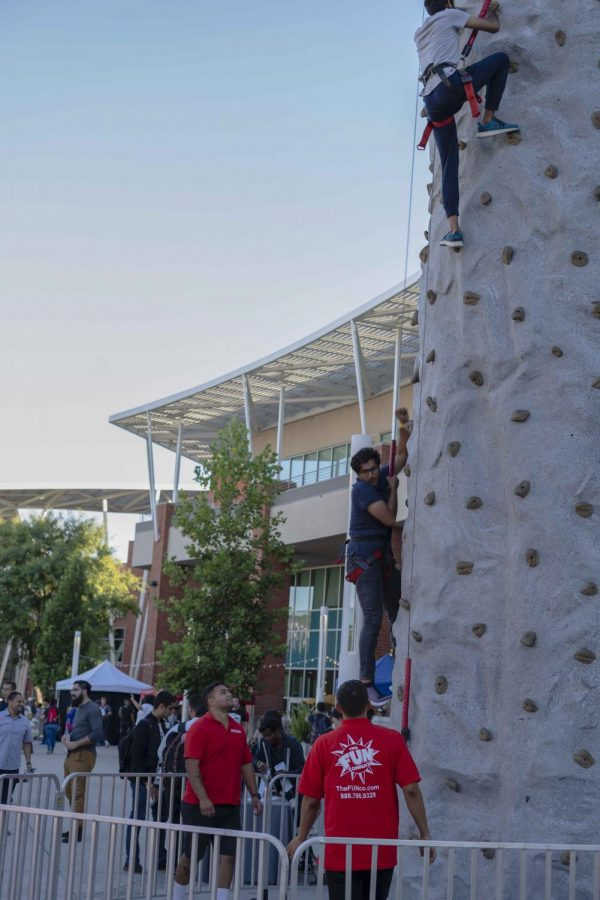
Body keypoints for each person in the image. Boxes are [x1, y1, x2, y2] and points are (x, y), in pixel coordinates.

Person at [287, 680, 435, 900]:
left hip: (340, 850)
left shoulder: (323, 744)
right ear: (369, 705)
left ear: (337, 707)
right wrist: (424, 833)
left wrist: (301, 836)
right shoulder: (392, 739)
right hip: (380, 850)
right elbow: (411, 789)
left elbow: (311, 801)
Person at [415, 0, 519, 249]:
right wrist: (492, 10)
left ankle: (453, 230)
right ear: (449, 3)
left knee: (449, 162)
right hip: (448, 86)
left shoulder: (419, 34)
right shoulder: (451, 15)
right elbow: (492, 27)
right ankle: (488, 119)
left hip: (431, 101)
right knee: (501, 60)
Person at [173, 683, 262, 900]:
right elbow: (191, 766)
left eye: (229, 692)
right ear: (211, 701)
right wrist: (203, 798)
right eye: (223, 692)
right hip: (198, 805)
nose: (229, 695)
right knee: (191, 855)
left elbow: (246, 764)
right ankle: (178, 895)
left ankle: (221, 897)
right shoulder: (199, 727)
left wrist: (255, 794)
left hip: (230, 804)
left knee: (228, 856)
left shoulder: (237, 729)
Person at [346, 409, 410, 707]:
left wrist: (403, 430)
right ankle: (367, 681)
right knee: (372, 618)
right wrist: (394, 490)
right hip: (365, 558)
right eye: (366, 472)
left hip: (381, 557)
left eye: (374, 469)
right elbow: (389, 517)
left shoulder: (379, 477)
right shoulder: (362, 491)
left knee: (397, 612)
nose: (372, 474)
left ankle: (400, 664)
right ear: (358, 475)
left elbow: (400, 461)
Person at [124, 690, 177, 874]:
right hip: (142, 780)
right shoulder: (144, 725)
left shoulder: (163, 725)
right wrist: (148, 783)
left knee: (161, 817)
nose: (172, 712)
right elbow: (136, 757)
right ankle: (131, 859)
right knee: (137, 818)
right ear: (161, 706)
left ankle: (161, 857)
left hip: (158, 779)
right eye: (170, 709)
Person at [155, 692, 206, 842]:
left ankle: (176, 857)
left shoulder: (178, 728)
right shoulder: (211, 728)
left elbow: (161, 753)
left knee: (175, 820)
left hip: (173, 782)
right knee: (196, 824)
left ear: (191, 709)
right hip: (200, 785)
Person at [61, 679, 104, 843]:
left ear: (84, 691)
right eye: (72, 690)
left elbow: (97, 733)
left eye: (75, 690)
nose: (72, 693)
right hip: (71, 754)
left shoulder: (92, 708)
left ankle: (76, 830)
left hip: (84, 754)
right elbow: (73, 729)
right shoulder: (77, 708)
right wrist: (65, 738)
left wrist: (77, 743)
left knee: (78, 793)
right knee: (69, 792)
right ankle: (76, 824)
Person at [253, 710, 304, 797]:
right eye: (264, 736)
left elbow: (302, 770)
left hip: (292, 795)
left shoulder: (293, 744)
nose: (267, 738)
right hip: (272, 794)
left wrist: (286, 774)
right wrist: (259, 764)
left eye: (269, 735)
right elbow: (252, 759)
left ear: (278, 730)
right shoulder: (264, 744)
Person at [0, 691, 33, 805]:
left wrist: (28, 763)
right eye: (18, 701)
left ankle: (2, 822)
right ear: (9, 701)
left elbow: (27, 742)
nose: (21, 704)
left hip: (13, 767)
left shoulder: (25, 721)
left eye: (22, 702)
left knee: (6, 800)